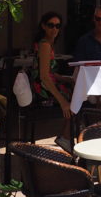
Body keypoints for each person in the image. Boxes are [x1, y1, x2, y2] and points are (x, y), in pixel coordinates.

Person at [31, 10, 74, 151]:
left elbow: (48, 72)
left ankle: (66, 135)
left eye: (57, 26)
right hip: (42, 90)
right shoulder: (45, 45)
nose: (54, 29)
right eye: (51, 25)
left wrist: (65, 78)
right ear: (43, 26)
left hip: (44, 85)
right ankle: (66, 137)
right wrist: (62, 102)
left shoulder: (47, 43)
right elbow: (44, 76)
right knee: (76, 99)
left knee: (75, 90)